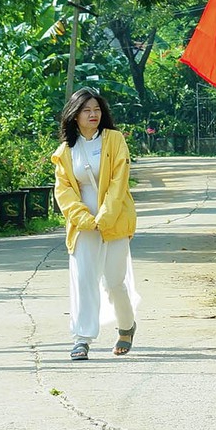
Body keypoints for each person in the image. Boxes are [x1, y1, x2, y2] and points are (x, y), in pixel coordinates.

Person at [52, 87, 139, 362]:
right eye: (87, 110)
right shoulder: (66, 151)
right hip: (83, 225)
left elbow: (118, 181)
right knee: (84, 278)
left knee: (115, 281)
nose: (93, 114)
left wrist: (104, 217)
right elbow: (63, 190)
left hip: (114, 219)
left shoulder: (114, 140)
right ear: (74, 115)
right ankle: (82, 338)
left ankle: (126, 326)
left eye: (97, 109)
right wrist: (83, 219)